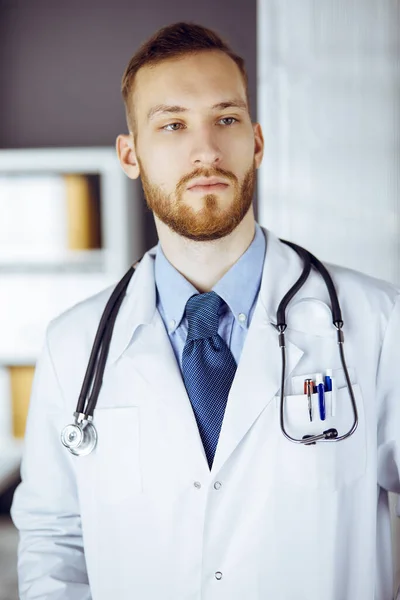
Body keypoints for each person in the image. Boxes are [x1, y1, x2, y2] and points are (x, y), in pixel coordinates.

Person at [10, 21, 400, 600]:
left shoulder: (375, 323)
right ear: (130, 154)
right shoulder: (72, 346)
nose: (206, 150)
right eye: (172, 124)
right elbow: (55, 542)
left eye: (226, 119)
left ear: (257, 142)